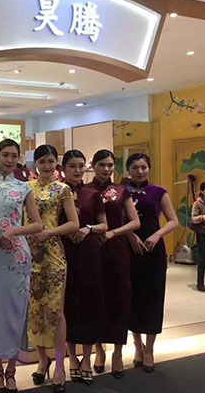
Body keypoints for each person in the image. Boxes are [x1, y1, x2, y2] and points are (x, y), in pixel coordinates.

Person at [0, 139, 43, 393]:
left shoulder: (24, 188)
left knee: (16, 313)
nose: (10, 160)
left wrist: (15, 230)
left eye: (14, 156)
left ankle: (12, 371)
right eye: (5, 155)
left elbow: (38, 224)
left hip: (17, 258)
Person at [27, 145, 79, 393]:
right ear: (35, 164)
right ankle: (42, 360)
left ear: (56, 163)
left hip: (54, 255)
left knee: (56, 311)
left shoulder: (63, 189)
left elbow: (73, 223)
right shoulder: (26, 188)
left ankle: (59, 365)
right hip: (30, 255)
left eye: (50, 161)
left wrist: (49, 232)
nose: (47, 166)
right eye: (42, 162)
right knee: (35, 311)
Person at [86, 150, 140, 379]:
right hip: (92, 250)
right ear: (93, 166)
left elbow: (135, 222)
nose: (106, 169)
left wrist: (114, 233)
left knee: (119, 299)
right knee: (95, 300)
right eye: (102, 165)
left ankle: (118, 352)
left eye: (110, 165)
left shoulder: (121, 190)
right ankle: (99, 350)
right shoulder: (84, 190)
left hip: (117, 250)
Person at [125, 153, 179, 373]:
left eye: (144, 167)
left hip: (153, 251)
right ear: (128, 170)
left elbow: (174, 221)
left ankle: (150, 349)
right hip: (128, 251)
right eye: (135, 168)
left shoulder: (159, 192)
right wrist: (130, 235)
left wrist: (157, 235)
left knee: (153, 299)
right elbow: (116, 221)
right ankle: (137, 345)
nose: (140, 171)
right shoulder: (121, 192)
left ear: (149, 168)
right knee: (132, 299)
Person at [61, 150, 108, 385]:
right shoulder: (57, 192)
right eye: (72, 166)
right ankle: (71, 358)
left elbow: (104, 226)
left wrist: (88, 228)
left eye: (81, 166)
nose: (78, 170)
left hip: (89, 254)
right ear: (63, 168)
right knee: (68, 305)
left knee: (90, 303)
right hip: (63, 253)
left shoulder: (92, 193)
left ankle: (87, 358)